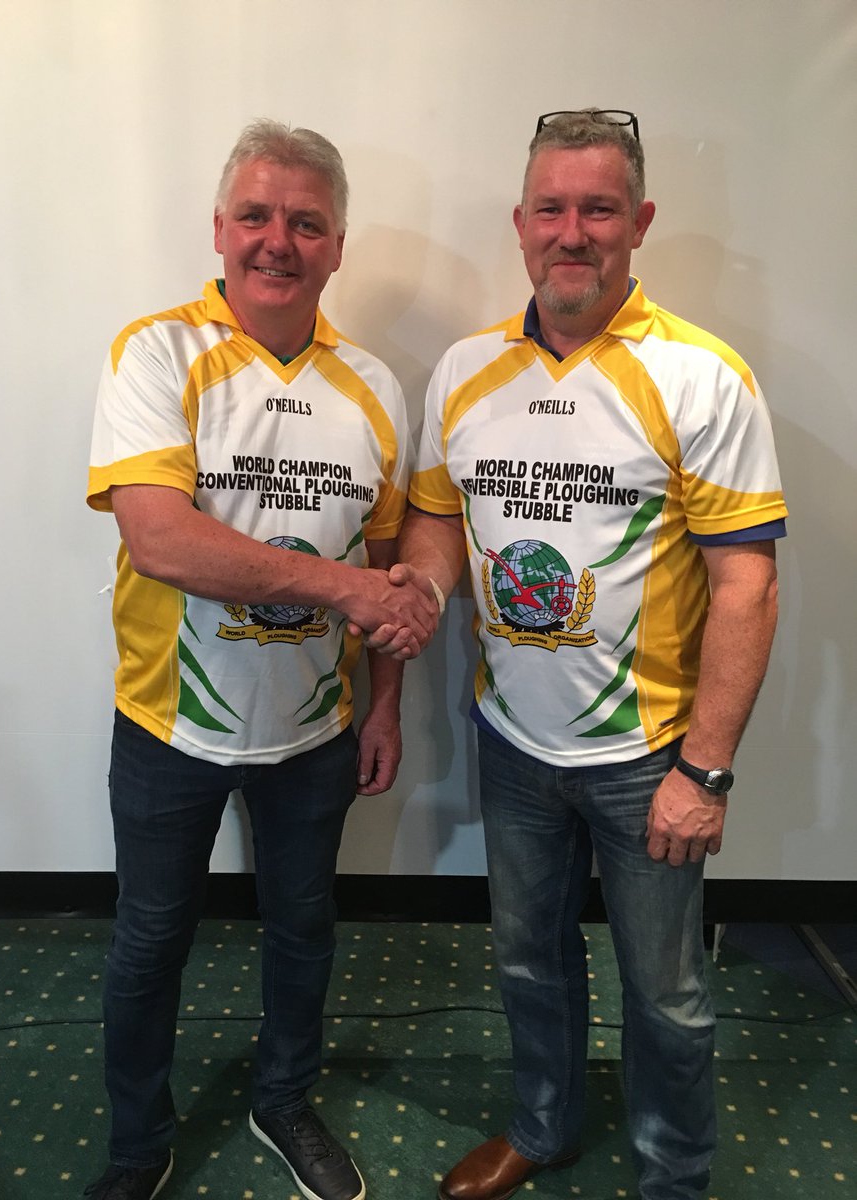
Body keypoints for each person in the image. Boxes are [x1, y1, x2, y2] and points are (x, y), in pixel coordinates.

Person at [377, 109, 788, 1200]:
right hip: (510, 744)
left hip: (648, 754)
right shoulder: (466, 370)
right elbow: (433, 520)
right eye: (551, 208)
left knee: (668, 993)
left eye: (597, 208)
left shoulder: (703, 376)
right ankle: (543, 1127)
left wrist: (704, 771)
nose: (573, 231)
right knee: (526, 959)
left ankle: (674, 1176)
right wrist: (419, 587)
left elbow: (748, 583)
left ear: (638, 222)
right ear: (520, 224)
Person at [84, 119, 438, 1200]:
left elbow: (389, 567)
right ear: (221, 228)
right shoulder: (157, 350)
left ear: (337, 248)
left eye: (305, 222)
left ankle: (284, 1101)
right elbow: (161, 537)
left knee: (304, 930)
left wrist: (385, 711)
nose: (276, 240)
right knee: (148, 944)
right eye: (256, 215)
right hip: (167, 726)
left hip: (317, 734)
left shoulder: (374, 383)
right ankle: (139, 1146)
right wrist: (344, 592)